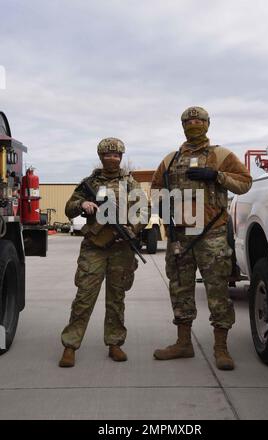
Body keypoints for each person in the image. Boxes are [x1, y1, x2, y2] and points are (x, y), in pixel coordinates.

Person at [151, 106, 252, 370]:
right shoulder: (171, 159)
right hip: (181, 236)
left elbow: (245, 183)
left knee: (217, 292)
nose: (194, 124)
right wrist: (162, 208)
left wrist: (216, 175)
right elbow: (156, 190)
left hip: (212, 236)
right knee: (180, 290)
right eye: (189, 121)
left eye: (199, 120)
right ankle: (183, 343)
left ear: (208, 123)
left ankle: (221, 347)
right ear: (182, 125)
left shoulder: (221, 155)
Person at [59, 137, 146, 367]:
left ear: (121, 157)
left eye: (116, 155)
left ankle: (115, 343)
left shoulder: (130, 183)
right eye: (108, 155)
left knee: (116, 298)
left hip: (121, 248)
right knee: (84, 298)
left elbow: (143, 211)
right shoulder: (90, 183)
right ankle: (70, 345)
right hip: (94, 247)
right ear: (101, 157)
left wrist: (131, 228)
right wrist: (82, 205)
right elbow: (69, 207)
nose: (112, 159)